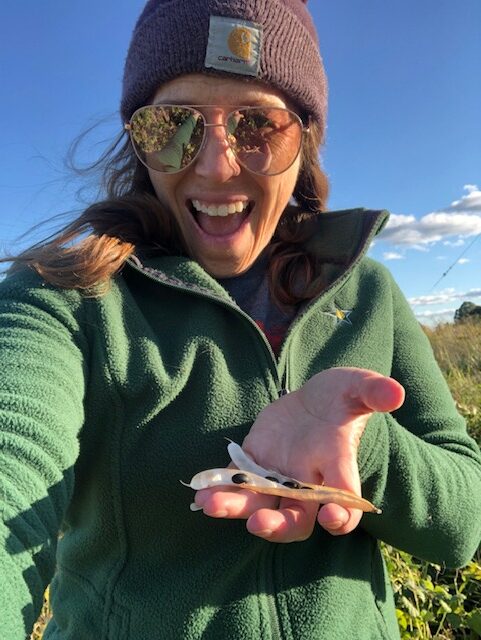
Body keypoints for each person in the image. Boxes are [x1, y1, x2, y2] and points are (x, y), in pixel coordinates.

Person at [1, 1, 480, 639]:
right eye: (173, 126)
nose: (215, 165)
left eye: (258, 125)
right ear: (138, 141)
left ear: (304, 139)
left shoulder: (367, 293)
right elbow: (13, 467)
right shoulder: (64, 295)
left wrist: (362, 449)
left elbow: (464, 523)